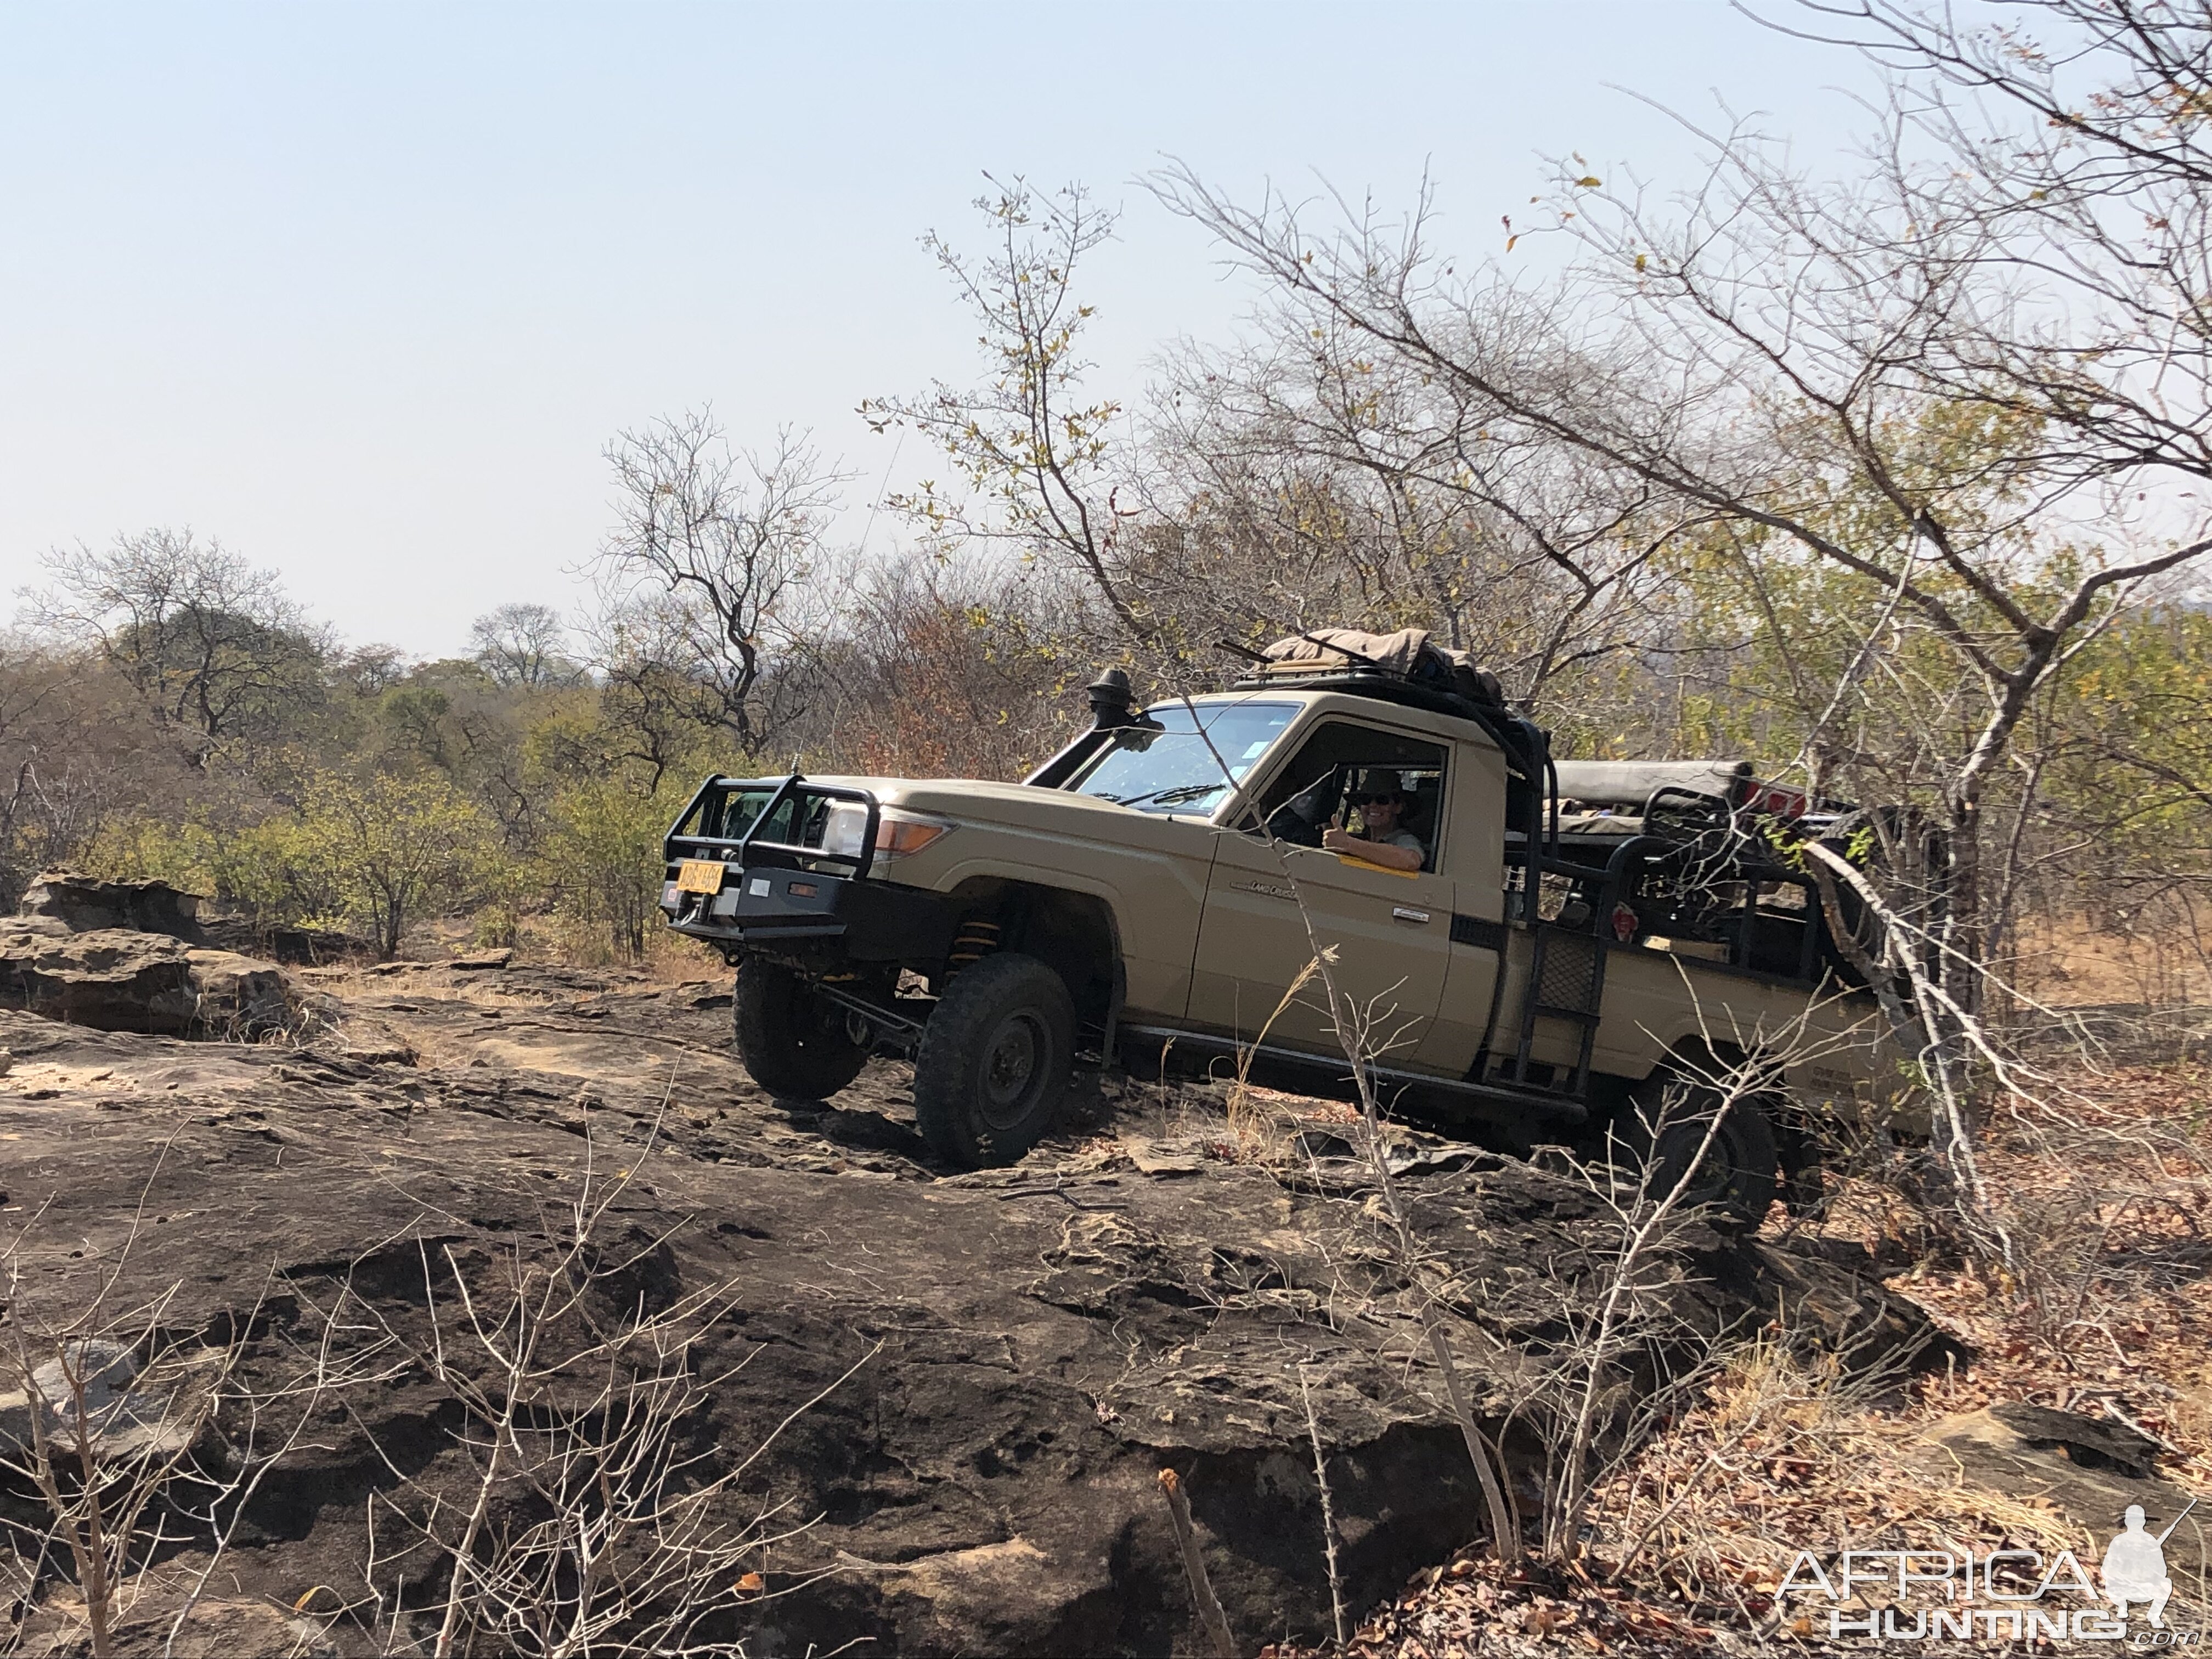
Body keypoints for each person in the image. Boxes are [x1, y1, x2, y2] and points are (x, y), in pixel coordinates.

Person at [1322, 772, 1426, 872]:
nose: (1372, 805)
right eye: (1365, 799)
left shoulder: (1404, 839)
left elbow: (1412, 860)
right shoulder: (1361, 839)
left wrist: (1347, 844)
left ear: (1398, 808)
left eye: (1382, 800)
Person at [2102, 1504, 2174, 1627]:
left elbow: (2162, 1571)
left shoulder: (2151, 1542)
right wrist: (2121, 1576)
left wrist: (2149, 1568)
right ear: (2128, 1523)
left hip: (2145, 1588)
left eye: (2139, 1521)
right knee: (2110, 1584)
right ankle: (2122, 1607)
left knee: (2166, 1584)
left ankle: (2154, 1616)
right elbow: (2107, 1569)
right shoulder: (2119, 1541)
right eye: (2133, 1521)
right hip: (2122, 1588)